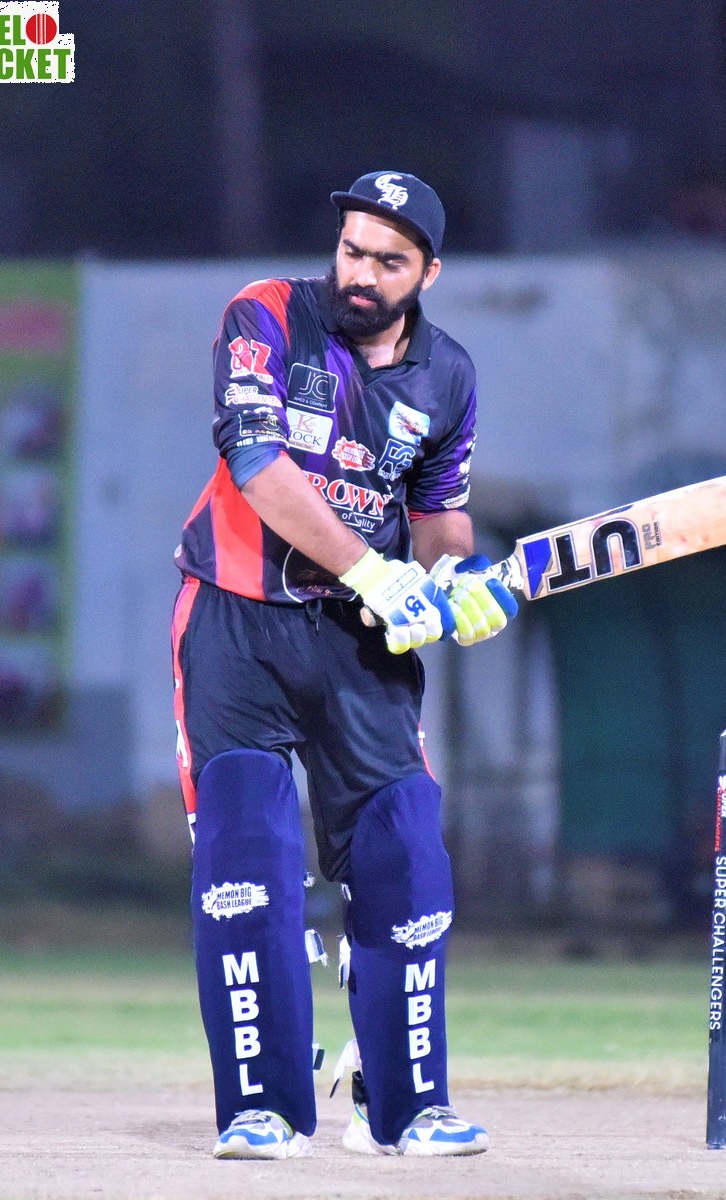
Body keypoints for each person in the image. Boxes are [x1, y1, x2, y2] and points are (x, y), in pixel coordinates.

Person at [170, 170, 518, 1161]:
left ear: (429, 273)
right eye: (352, 250)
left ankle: (405, 1106)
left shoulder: (448, 374)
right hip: (238, 620)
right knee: (246, 848)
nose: (360, 273)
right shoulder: (267, 316)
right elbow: (256, 463)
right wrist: (375, 569)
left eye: (388, 261)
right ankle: (264, 1106)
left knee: (405, 849)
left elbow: (441, 512)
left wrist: (458, 580)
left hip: (363, 641)